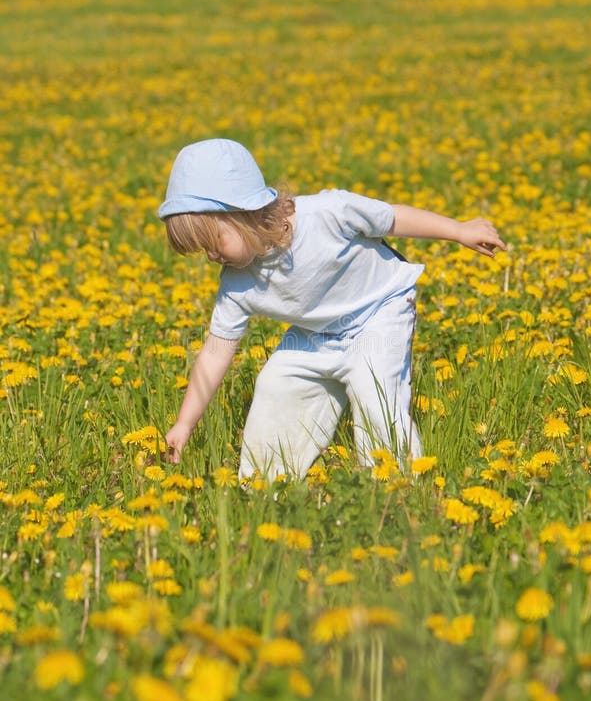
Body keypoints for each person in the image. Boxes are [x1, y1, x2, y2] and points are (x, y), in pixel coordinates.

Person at [158, 138, 506, 481]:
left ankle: (394, 482)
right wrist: (185, 423)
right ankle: (264, 484)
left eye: (213, 243)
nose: (212, 257)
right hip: (316, 333)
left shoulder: (327, 214)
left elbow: (392, 219)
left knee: (373, 390)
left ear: (244, 213)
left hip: (379, 312)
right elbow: (216, 352)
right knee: (275, 385)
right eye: (202, 251)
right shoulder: (236, 283)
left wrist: (458, 231)